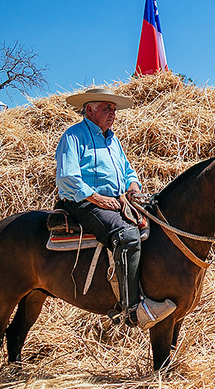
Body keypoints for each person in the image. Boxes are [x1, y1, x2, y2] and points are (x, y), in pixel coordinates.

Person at [56, 87, 175, 330]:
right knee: (127, 235)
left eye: (113, 109)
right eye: (106, 108)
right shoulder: (73, 136)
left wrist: (132, 185)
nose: (113, 113)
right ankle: (131, 309)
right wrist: (98, 198)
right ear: (89, 110)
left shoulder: (113, 140)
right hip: (83, 202)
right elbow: (68, 177)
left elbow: (128, 170)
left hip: (117, 200)